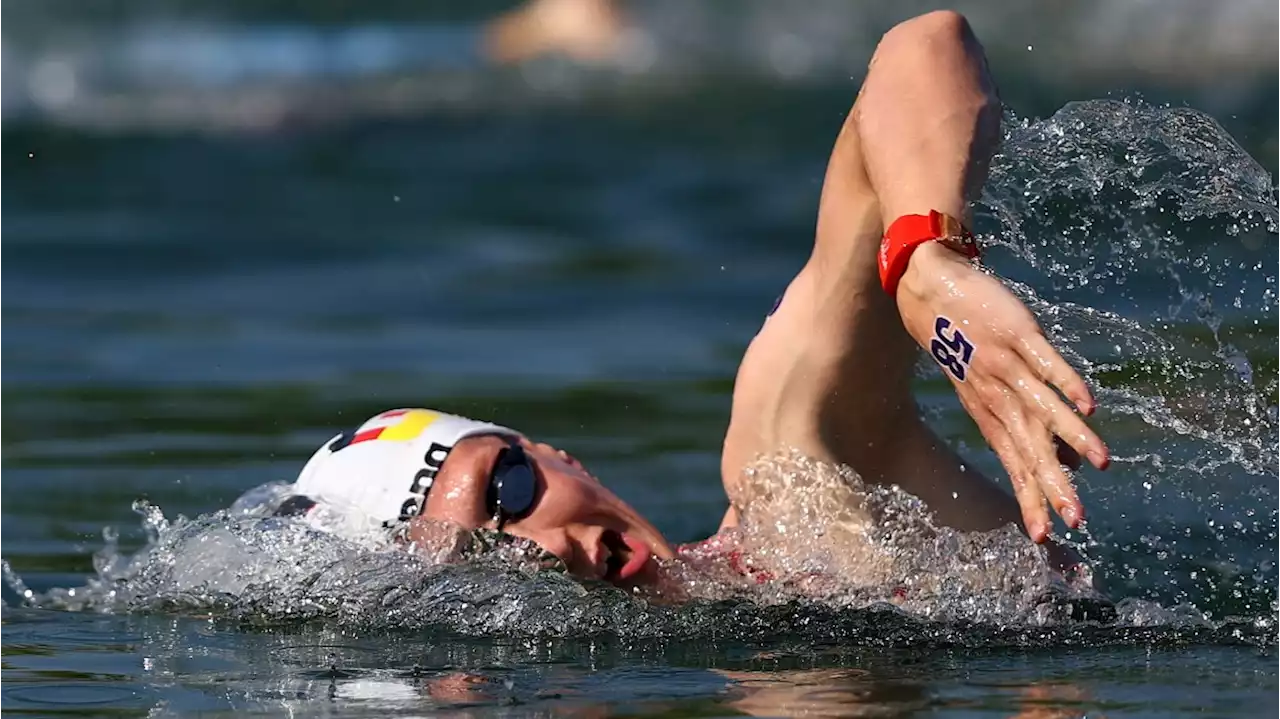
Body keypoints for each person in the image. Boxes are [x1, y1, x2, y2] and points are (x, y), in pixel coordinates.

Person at [278, 10, 1110, 589]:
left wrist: (925, 260)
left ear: (555, 453)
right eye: (472, 557)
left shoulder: (795, 479)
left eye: (507, 491)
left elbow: (923, 46)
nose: (540, 550)